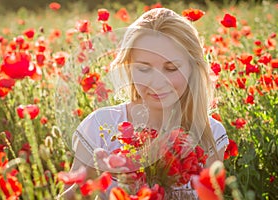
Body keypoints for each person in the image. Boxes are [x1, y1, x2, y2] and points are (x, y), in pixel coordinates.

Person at [65, 7, 229, 200]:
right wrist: (97, 178)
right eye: (144, 68)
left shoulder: (211, 133)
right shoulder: (101, 125)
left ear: (193, 69)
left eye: (171, 68)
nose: (157, 82)